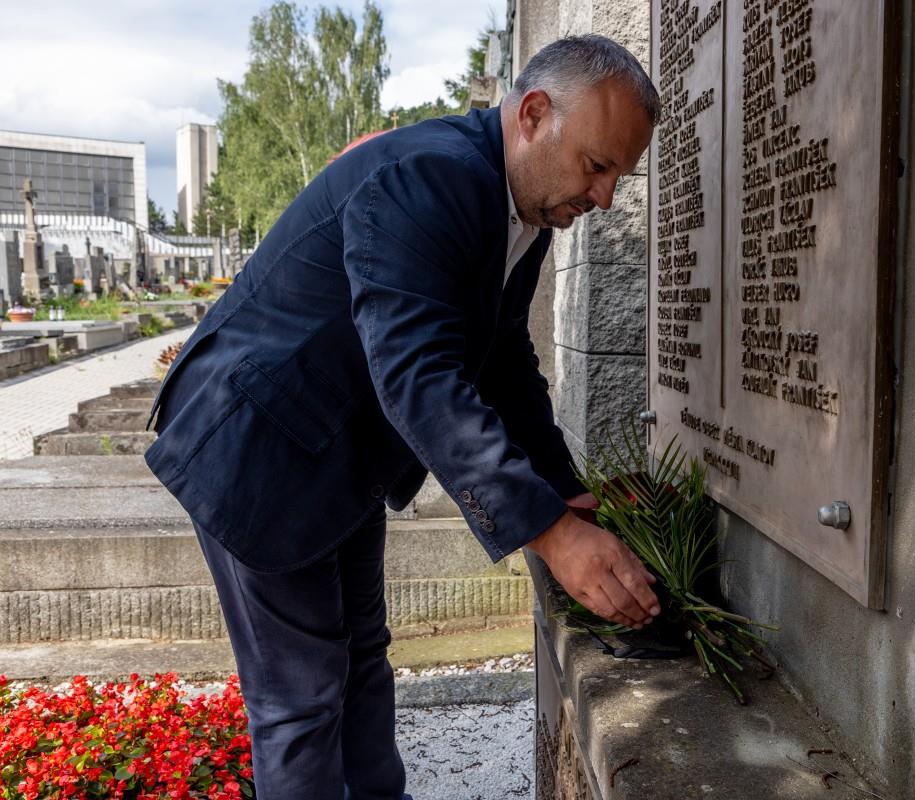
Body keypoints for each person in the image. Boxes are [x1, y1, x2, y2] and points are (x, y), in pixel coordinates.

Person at [143, 35, 661, 800]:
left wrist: (564, 492)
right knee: (301, 700)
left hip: (338, 448)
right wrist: (550, 534)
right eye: (597, 165)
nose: (606, 197)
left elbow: (501, 358)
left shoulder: (522, 204)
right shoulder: (430, 177)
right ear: (532, 115)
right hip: (259, 447)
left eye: (619, 173)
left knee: (361, 659)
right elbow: (419, 376)